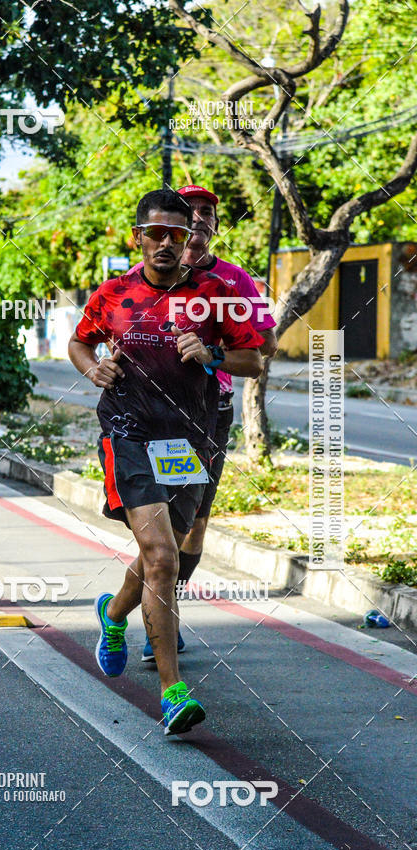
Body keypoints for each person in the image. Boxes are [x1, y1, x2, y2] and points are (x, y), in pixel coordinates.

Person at [68, 188, 264, 735]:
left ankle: (112, 616)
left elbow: (254, 359)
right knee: (160, 556)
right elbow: (79, 342)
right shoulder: (114, 293)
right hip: (129, 432)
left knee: (165, 557)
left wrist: (212, 354)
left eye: (176, 235)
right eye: (154, 233)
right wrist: (93, 369)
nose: (165, 244)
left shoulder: (214, 295)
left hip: (187, 440)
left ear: (188, 240)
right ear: (138, 238)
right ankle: (173, 693)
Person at [129, 185, 278, 662]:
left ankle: (155, 612)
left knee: (193, 525)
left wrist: (213, 352)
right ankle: (160, 627)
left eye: (205, 213)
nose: (195, 221)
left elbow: (264, 347)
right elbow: (111, 329)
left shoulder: (233, 281)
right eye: (187, 213)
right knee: (163, 534)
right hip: (151, 415)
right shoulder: (140, 276)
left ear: (214, 224)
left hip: (211, 412)